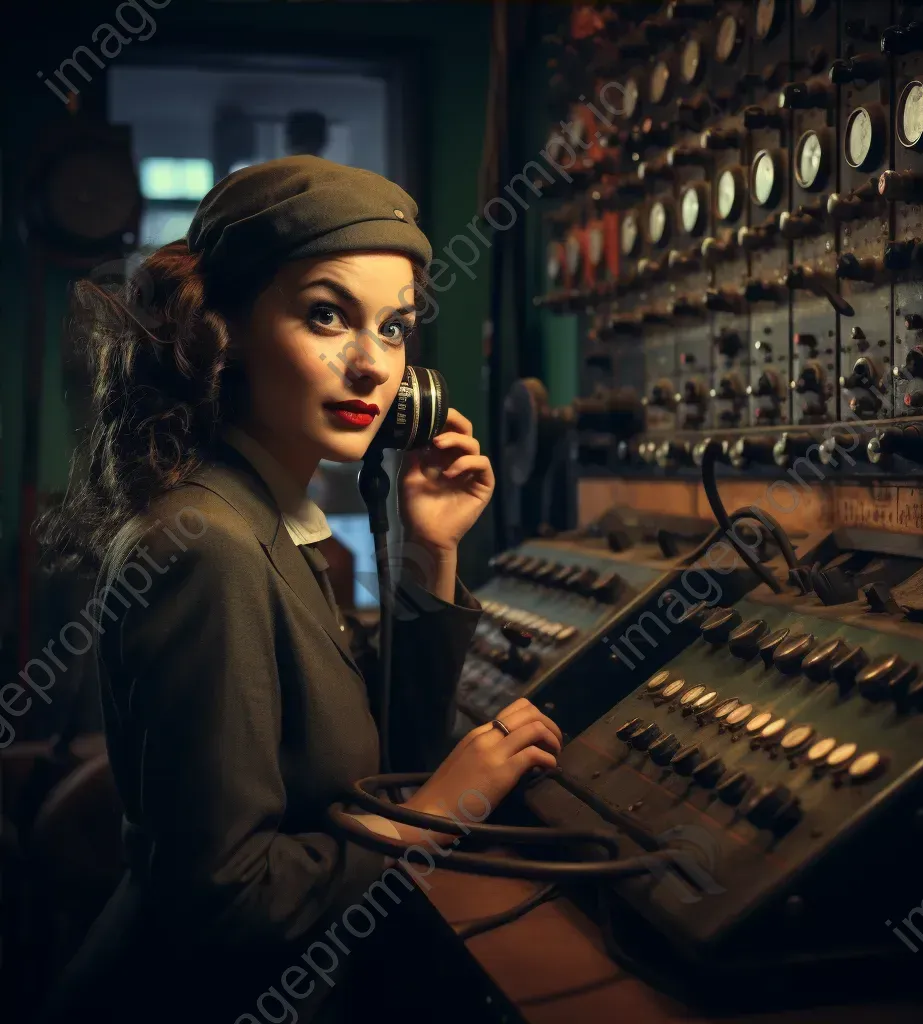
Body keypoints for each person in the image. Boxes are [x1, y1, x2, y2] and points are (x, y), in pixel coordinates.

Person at [36, 156, 562, 1023]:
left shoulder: (262, 519)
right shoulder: (207, 547)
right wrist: (436, 813)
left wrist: (430, 551)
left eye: (393, 329)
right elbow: (229, 902)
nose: (370, 366)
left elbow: (372, 774)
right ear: (227, 329)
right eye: (327, 315)